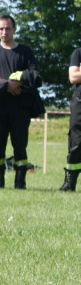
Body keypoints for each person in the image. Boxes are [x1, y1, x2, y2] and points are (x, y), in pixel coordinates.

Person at [0, 15, 43, 189]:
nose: (4, 32)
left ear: (14, 29)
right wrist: (6, 84)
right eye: (1, 28)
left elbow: (35, 75)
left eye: (7, 28)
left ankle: (20, 181)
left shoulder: (25, 51)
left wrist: (20, 82)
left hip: (20, 106)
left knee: (20, 143)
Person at [62, 48, 81, 191]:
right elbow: (73, 77)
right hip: (79, 101)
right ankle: (70, 183)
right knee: (76, 141)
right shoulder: (78, 53)